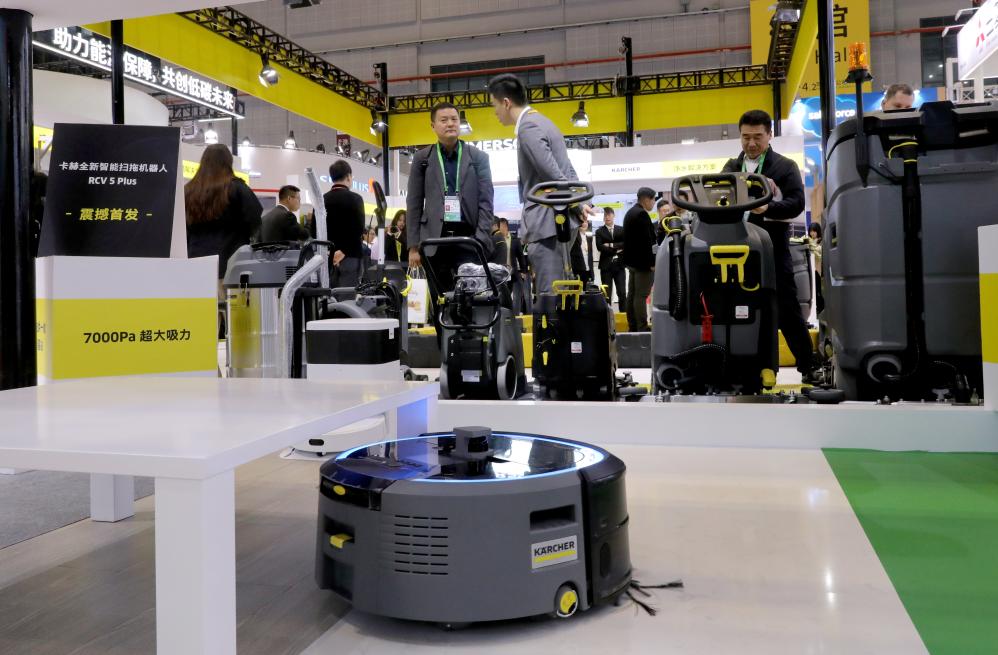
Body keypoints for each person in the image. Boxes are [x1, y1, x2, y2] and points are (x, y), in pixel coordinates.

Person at [722, 109, 816, 379]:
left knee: (787, 308)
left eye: (757, 137)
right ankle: (746, 368)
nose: (751, 143)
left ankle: (809, 366)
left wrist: (768, 208)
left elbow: (796, 203)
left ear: (769, 135)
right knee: (740, 309)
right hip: (738, 251)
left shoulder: (785, 166)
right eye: (746, 137)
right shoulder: (731, 167)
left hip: (773, 248)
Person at [489, 73, 589, 295]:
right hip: (558, 221)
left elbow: (551, 174)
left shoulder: (528, 127)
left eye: (495, 106)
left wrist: (577, 205)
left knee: (550, 295)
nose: (495, 112)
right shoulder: (544, 122)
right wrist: (578, 203)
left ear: (506, 103)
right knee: (561, 292)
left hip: (547, 223)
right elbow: (567, 169)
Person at [406, 101, 495, 297]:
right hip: (434, 242)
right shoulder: (422, 159)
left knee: (471, 299)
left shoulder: (478, 158)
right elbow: (414, 204)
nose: (450, 124)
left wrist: (481, 239)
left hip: (469, 240)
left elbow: (486, 201)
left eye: (454, 119)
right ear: (433, 125)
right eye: (444, 120)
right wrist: (413, 247)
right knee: (439, 300)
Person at [185, 144, 262, 280]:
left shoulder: (189, 190)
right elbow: (255, 220)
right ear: (228, 163)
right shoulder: (237, 188)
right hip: (230, 263)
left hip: (195, 262)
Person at [323, 159, 365, 288]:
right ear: (348, 176)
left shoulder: (322, 199)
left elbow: (315, 230)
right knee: (348, 296)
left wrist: (331, 252)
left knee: (327, 295)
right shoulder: (356, 199)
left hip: (327, 258)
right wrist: (343, 251)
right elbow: (359, 229)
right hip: (350, 257)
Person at [622, 187, 658, 332]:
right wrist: (652, 263)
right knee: (641, 296)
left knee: (632, 295)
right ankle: (642, 327)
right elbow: (646, 242)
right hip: (643, 264)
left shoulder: (630, 213)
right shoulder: (642, 214)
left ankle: (633, 326)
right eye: (653, 200)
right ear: (646, 199)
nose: (654, 203)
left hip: (632, 263)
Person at [595, 207, 626, 310]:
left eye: (609, 214)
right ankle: (607, 315)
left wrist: (610, 245)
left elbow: (625, 244)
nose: (607, 217)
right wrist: (617, 250)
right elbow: (599, 247)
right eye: (605, 215)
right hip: (606, 267)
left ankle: (623, 315)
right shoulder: (599, 231)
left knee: (622, 292)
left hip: (619, 265)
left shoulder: (621, 229)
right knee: (606, 293)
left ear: (613, 215)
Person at [570, 215, 594, 285]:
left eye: (586, 222)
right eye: (582, 222)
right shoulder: (573, 236)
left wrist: (592, 272)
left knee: (586, 290)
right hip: (577, 270)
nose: (584, 224)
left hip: (587, 269)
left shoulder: (589, 237)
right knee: (577, 290)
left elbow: (590, 255)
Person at [809, 223, 824, 314]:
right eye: (811, 231)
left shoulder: (821, 241)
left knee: (818, 291)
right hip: (811, 269)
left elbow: (820, 254)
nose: (812, 233)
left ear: (818, 231)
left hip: (818, 269)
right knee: (813, 291)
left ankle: (821, 308)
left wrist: (813, 245)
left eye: (814, 231)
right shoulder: (809, 241)